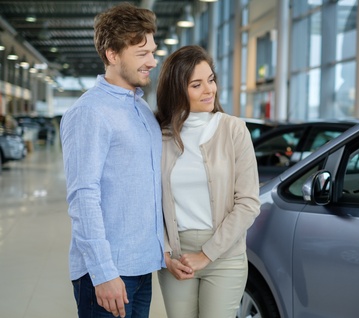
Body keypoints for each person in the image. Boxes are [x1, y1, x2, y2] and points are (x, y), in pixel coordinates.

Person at [60, 3, 164, 318]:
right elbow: (83, 196)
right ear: (112, 54)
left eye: (153, 51)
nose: (153, 61)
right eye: (142, 53)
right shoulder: (90, 112)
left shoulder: (142, 110)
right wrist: (103, 272)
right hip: (107, 273)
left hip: (141, 266)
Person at [155, 45, 261, 318]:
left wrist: (207, 254)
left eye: (211, 80)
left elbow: (248, 202)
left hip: (225, 255)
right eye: (197, 84)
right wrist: (166, 253)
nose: (209, 90)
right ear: (177, 90)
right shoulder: (160, 136)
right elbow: (151, 201)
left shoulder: (234, 129)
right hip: (177, 258)